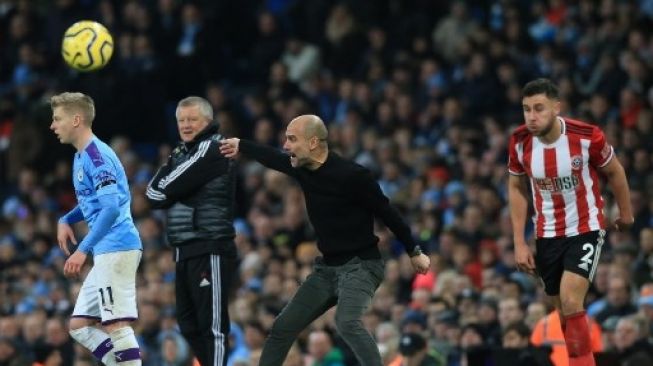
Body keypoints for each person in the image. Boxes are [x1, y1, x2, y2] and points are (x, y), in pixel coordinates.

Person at [219, 114, 430, 366]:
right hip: (327, 269)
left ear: (313, 143)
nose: (286, 146)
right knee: (282, 327)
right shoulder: (302, 168)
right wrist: (241, 144)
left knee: (346, 322)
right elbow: (273, 158)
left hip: (362, 265)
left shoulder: (353, 176)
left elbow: (388, 213)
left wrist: (413, 250)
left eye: (292, 139)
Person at [507, 78, 634, 366]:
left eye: (539, 108)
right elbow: (516, 189)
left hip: (585, 227)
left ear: (556, 107)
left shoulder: (586, 136)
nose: (532, 116)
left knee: (571, 300)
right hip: (547, 234)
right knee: (563, 314)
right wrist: (519, 241)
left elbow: (615, 172)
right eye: (526, 109)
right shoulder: (519, 141)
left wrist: (626, 214)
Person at [50, 92, 142, 365]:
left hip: (117, 246)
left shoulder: (96, 155)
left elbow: (111, 207)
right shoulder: (81, 156)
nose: (52, 126)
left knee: (116, 324)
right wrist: (65, 218)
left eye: (57, 119)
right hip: (107, 248)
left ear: (76, 119)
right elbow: (94, 203)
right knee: (79, 325)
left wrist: (82, 250)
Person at [146, 96, 237, 366]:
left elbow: (166, 188)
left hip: (210, 244)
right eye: (181, 120)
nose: (185, 125)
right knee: (188, 325)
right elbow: (152, 194)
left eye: (192, 119)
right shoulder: (179, 153)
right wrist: (172, 185)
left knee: (213, 327)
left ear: (207, 121)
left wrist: (172, 187)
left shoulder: (213, 148)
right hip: (183, 248)